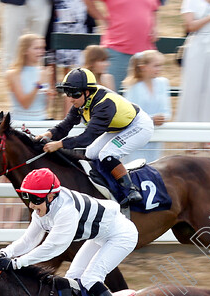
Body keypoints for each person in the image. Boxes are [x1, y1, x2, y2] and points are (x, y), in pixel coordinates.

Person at [0, 168, 139, 296]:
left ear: (50, 197)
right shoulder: (45, 206)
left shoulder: (66, 211)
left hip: (122, 236)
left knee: (90, 279)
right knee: (73, 278)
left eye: (34, 199)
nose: (31, 205)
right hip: (101, 236)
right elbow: (28, 240)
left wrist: (17, 263)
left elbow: (52, 248)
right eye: (27, 197)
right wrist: (6, 252)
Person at [36, 67, 154, 205]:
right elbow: (66, 125)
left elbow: (87, 138)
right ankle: (104, 187)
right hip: (120, 126)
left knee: (107, 154)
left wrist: (58, 144)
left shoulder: (104, 105)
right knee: (91, 153)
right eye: (68, 93)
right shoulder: (82, 101)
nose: (71, 98)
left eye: (75, 94)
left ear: (87, 92)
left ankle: (130, 190)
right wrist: (48, 134)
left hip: (139, 126)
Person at [4, 33, 52, 227]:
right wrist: (39, 84)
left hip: (39, 125)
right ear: (25, 50)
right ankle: (1, 223)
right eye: (36, 48)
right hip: (19, 125)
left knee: (27, 176)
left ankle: (14, 223)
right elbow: (24, 102)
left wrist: (48, 93)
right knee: (6, 177)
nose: (41, 52)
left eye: (42, 48)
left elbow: (44, 102)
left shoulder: (44, 71)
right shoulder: (13, 73)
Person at [83, 0, 161, 92]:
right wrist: (101, 19)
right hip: (117, 50)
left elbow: (153, 9)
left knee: (143, 95)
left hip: (145, 55)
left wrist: (154, 27)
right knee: (108, 95)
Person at [123, 50, 171, 163]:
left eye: (160, 65)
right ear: (143, 67)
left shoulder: (163, 83)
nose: (159, 69)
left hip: (156, 137)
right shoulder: (133, 87)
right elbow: (129, 114)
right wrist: (151, 119)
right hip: (136, 138)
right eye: (156, 66)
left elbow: (167, 110)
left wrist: (163, 118)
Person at [0, 0, 52, 71]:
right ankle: (10, 79)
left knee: (38, 48)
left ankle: (34, 79)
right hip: (15, 4)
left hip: (42, 3)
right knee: (12, 46)